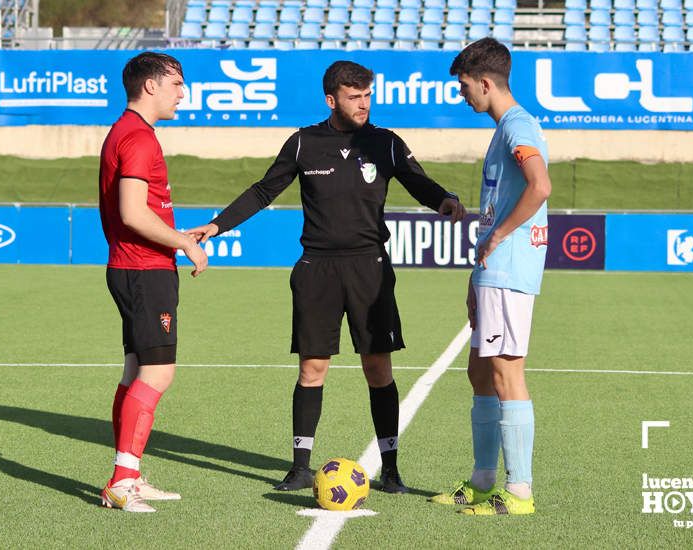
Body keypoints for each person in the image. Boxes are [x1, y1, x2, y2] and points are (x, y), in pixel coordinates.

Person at [187, 61, 466, 494]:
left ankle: (390, 469)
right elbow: (264, 190)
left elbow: (418, 182)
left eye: (368, 96)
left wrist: (444, 200)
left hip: (369, 268)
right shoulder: (303, 143)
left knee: (378, 368)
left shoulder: (386, 143)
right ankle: (300, 467)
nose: (364, 104)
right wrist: (217, 225)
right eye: (355, 97)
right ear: (331, 99)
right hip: (316, 268)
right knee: (313, 367)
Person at [429, 38, 551, 515]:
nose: (462, 95)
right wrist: (479, 268)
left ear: (485, 82)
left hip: (510, 268)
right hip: (493, 270)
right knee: (480, 371)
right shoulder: (503, 130)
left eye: (464, 86)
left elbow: (540, 186)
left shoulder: (518, 126)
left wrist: (498, 236)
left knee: (505, 372)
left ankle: (519, 492)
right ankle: (482, 480)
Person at [98, 52, 208, 513]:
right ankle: (122, 480)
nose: (182, 93)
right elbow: (132, 212)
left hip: (131, 268)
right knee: (159, 372)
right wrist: (185, 242)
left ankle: (130, 476)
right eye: (177, 84)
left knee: (135, 372)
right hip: (144, 270)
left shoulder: (125, 131)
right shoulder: (139, 138)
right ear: (151, 86)